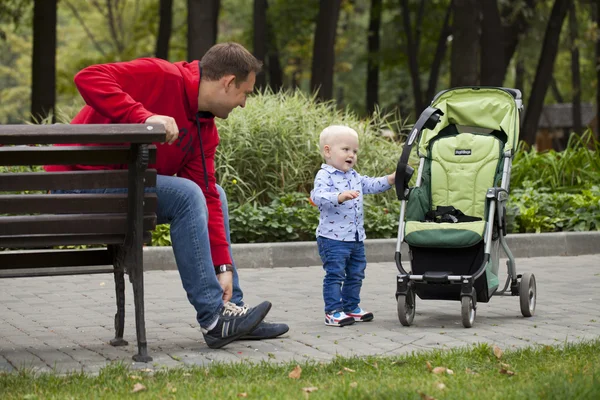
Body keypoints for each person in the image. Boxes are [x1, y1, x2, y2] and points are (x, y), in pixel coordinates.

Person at [44, 42, 289, 348]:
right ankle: (214, 319)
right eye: (245, 93)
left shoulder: (205, 131)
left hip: (122, 190)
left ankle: (232, 309)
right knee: (187, 194)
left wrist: (222, 267)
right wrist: (143, 116)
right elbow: (88, 77)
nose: (243, 103)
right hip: (77, 184)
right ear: (228, 83)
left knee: (217, 194)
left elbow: (208, 198)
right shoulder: (160, 75)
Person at [310, 125, 396, 327]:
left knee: (356, 273)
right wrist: (339, 197)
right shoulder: (325, 175)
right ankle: (333, 311)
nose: (351, 155)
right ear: (328, 151)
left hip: (355, 238)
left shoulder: (354, 176)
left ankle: (351, 306)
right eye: (346, 149)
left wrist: (390, 179)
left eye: (355, 151)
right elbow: (318, 197)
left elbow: (372, 185)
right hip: (333, 239)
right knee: (335, 274)